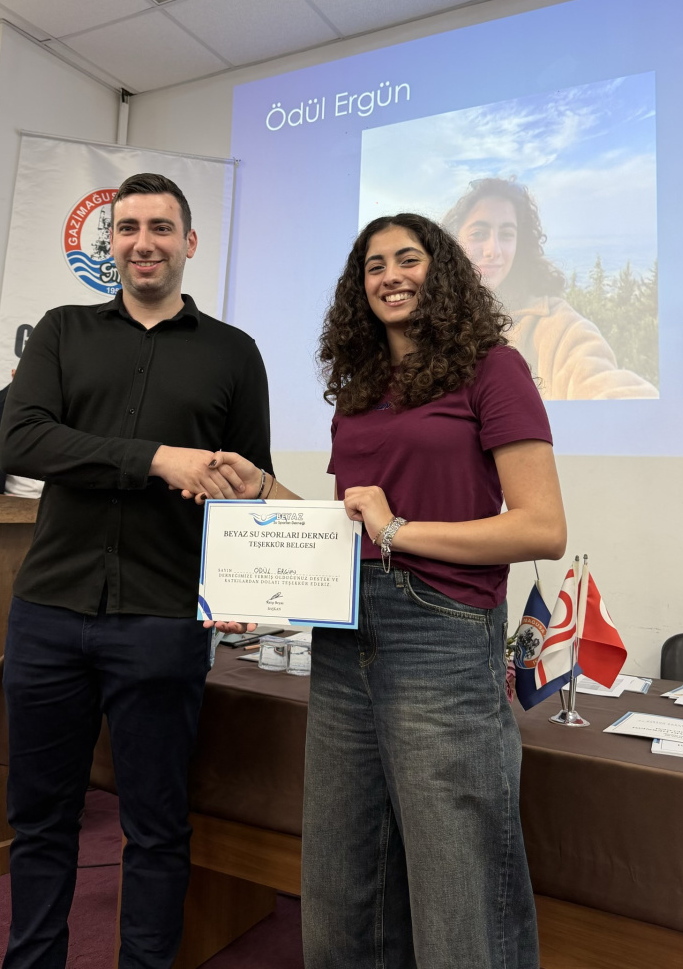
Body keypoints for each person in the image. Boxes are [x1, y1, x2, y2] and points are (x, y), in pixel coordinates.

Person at [210, 213, 567, 969]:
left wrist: (400, 529)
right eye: (374, 266)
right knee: (344, 878)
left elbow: (542, 528)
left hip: (442, 631)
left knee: (458, 880)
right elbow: (352, 528)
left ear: (443, 272)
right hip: (347, 634)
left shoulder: (494, 368)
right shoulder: (360, 390)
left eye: (408, 259)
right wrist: (261, 489)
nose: (391, 276)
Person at [0, 172, 269, 969]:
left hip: (163, 618)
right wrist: (156, 458)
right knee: (40, 820)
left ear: (189, 242)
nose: (143, 243)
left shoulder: (233, 353)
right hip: (49, 610)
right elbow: (23, 442)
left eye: (160, 228)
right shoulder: (62, 330)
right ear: (109, 242)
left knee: (156, 827)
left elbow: (248, 487)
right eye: (127, 228)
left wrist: (249, 582)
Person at [443, 177, 658, 399]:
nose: (493, 250)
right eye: (478, 234)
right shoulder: (430, 317)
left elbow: (597, 380)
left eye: (506, 234)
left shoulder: (552, 324)